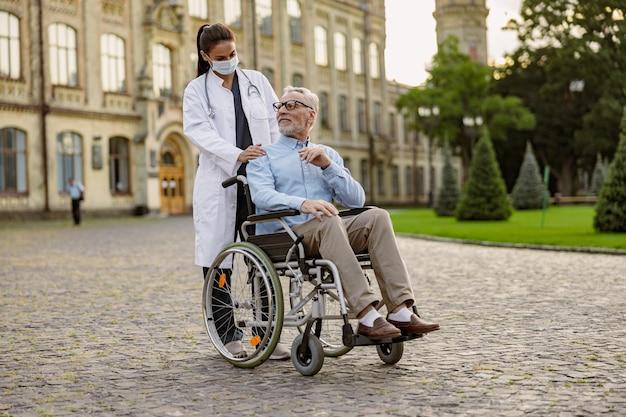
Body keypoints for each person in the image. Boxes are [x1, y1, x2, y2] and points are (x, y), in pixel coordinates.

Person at [247, 86, 440, 340]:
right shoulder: (264, 155)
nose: (282, 110)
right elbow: (260, 195)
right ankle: (367, 315)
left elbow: (356, 199)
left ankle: (400, 311)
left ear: (311, 115)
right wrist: (302, 203)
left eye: (292, 105)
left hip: (329, 232)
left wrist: (327, 166)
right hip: (287, 236)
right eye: (280, 106)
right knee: (328, 219)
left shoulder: (328, 154)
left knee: (377, 216)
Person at [182, 23, 290, 360]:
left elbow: (275, 124)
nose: (229, 60)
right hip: (221, 184)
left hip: (259, 183)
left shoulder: (257, 82)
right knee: (220, 263)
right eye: (221, 57)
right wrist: (236, 154)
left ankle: (263, 339)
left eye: (232, 54)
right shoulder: (196, 90)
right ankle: (228, 334)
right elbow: (198, 131)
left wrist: (274, 162)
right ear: (205, 57)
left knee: (263, 262)